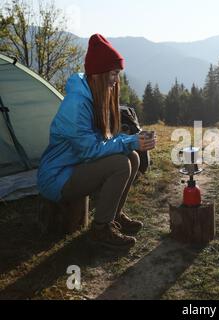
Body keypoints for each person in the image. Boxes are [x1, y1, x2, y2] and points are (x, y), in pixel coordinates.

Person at [37, 34, 156, 250]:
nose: (116, 79)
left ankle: (114, 216)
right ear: (99, 74)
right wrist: (130, 141)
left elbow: (105, 139)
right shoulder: (78, 104)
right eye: (113, 73)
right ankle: (100, 229)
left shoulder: (95, 96)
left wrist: (133, 141)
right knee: (120, 164)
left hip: (75, 166)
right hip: (58, 176)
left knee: (132, 157)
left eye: (117, 73)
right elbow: (90, 151)